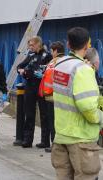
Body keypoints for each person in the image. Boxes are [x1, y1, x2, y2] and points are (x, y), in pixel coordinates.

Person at [51, 27, 102, 180]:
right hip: (81, 139)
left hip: (61, 135)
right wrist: (100, 118)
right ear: (87, 45)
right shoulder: (84, 70)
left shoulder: (60, 64)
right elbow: (88, 106)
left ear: (68, 45)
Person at [17, 36, 52, 148]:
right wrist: (21, 70)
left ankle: (45, 141)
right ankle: (27, 140)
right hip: (30, 87)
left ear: (38, 44)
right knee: (29, 114)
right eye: (29, 45)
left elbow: (39, 71)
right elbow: (20, 66)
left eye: (32, 45)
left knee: (44, 115)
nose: (30, 47)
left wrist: (26, 72)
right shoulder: (30, 55)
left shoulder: (47, 56)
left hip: (41, 87)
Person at [39, 41, 65, 152]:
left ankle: (55, 144)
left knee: (53, 121)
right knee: (57, 121)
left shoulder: (54, 62)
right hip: (59, 96)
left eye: (51, 51)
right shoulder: (65, 61)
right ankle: (56, 144)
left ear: (55, 51)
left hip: (51, 96)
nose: (51, 53)